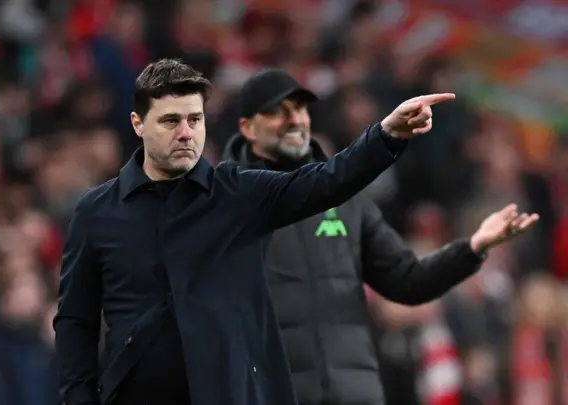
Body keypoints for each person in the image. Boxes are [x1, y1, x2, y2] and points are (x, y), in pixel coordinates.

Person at [53, 58, 455, 405]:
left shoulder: (237, 192)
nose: (186, 133)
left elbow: (326, 181)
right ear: (138, 124)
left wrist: (386, 135)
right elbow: (75, 320)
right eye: (171, 121)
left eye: (195, 120)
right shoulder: (96, 211)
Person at [221, 68, 539, 405]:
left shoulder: (347, 206)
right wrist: (386, 135)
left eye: (299, 110)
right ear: (248, 129)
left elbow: (408, 280)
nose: (294, 120)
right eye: (277, 112)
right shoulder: (230, 201)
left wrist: (474, 247)